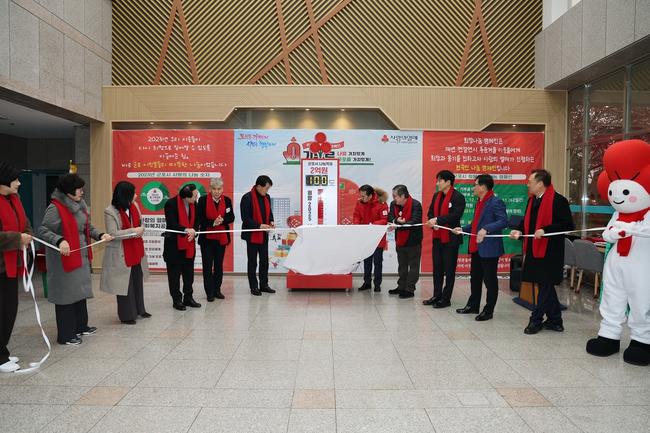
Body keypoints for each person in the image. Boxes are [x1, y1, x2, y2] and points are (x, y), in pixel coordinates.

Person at [38, 174, 112, 345]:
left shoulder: (80, 204)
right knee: (66, 296)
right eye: (79, 189)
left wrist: (100, 234)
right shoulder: (55, 208)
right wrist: (59, 240)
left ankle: (81, 326)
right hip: (63, 259)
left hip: (80, 255)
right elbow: (43, 230)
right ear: (69, 191)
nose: (82, 192)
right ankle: (66, 335)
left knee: (80, 293)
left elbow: (87, 227)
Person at [510, 169, 574, 334]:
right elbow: (527, 222)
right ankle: (555, 320)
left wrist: (546, 230)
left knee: (545, 285)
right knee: (545, 285)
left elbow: (568, 224)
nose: (527, 184)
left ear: (540, 183)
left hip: (550, 252)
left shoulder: (558, 200)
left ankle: (535, 320)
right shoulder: (532, 201)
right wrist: (519, 231)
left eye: (530, 182)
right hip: (534, 249)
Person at [453, 174, 508, 321]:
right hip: (477, 247)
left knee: (490, 281)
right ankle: (473, 305)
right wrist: (462, 229)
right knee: (475, 278)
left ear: (483, 187)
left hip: (489, 248)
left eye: (475, 185)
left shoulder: (495, 202)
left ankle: (488, 310)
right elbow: (476, 224)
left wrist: (486, 229)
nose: (473, 188)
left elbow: (503, 221)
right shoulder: (480, 202)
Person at [100, 181, 150, 324]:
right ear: (125, 195)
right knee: (124, 284)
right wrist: (134, 231)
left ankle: (140, 309)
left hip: (136, 249)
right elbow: (113, 233)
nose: (136, 195)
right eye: (133, 193)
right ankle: (127, 315)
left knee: (137, 281)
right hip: (121, 252)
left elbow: (141, 223)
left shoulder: (134, 206)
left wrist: (140, 229)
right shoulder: (110, 211)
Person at [0, 163, 32, 372]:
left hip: (12, 264)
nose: (19, 183)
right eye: (16, 179)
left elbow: (25, 223)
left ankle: (2, 350)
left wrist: (27, 235)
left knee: (9, 310)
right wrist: (17, 238)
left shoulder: (14, 199)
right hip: (1, 265)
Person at [424, 170, 466, 309]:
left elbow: (455, 216)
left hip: (451, 239)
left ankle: (446, 298)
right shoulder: (436, 195)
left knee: (449, 270)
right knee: (437, 268)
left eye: (440, 181)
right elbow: (430, 212)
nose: (437, 183)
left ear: (448, 182)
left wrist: (438, 220)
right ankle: (436, 295)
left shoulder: (458, 197)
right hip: (437, 238)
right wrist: (433, 222)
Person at [163, 184, 201, 310]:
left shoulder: (194, 204)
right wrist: (186, 230)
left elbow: (197, 222)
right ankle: (177, 300)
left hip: (189, 244)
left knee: (189, 275)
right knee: (174, 276)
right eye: (194, 196)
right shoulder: (171, 204)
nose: (196, 198)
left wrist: (194, 232)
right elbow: (172, 224)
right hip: (174, 246)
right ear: (186, 197)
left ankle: (188, 298)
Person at [197, 177, 235, 301]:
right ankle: (209, 292)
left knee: (218, 266)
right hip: (207, 240)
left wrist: (222, 220)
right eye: (214, 189)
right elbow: (200, 219)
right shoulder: (202, 200)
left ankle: (217, 290)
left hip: (221, 239)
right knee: (207, 266)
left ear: (222, 189)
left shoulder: (227, 200)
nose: (217, 191)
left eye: (219, 189)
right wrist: (213, 222)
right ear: (210, 189)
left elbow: (231, 217)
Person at [240, 175, 275, 296]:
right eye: (266, 188)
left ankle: (264, 285)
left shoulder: (267, 197)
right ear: (259, 186)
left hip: (263, 234)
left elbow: (269, 213)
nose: (267, 191)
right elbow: (245, 218)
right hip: (252, 235)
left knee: (264, 261)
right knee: (252, 262)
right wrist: (259, 225)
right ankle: (254, 287)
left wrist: (271, 222)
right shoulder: (247, 198)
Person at [387, 184, 423, 299]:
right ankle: (401, 286)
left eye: (395, 196)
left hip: (413, 240)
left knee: (413, 266)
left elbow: (416, 220)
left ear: (403, 196)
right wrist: (396, 220)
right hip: (400, 239)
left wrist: (403, 223)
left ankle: (410, 289)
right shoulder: (393, 204)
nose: (394, 199)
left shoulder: (416, 204)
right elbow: (390, 217)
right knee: (402, 265)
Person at [353, 185, 388, 292]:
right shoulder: (359, 203)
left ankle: (377, 284)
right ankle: (367, 283)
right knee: (367, 261)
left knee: (377, 262)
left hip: (378, 238)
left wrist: (372, 225)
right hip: (366, 237)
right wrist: (357, 224)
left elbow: (384, 220)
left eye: (363, 196)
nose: (361, 198)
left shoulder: (382, 203)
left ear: (370, 196)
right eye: (360, 195)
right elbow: (356, 216)